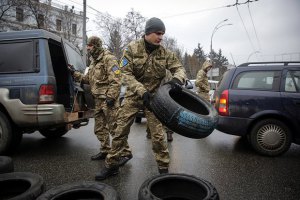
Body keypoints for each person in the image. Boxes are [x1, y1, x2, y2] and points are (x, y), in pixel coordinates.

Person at [95, 17, 187, 180]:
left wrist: (177, 79)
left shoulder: (164, 53)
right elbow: (124, 73)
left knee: (158, 135)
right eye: (158, 33)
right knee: (119, 130)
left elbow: (179, 68)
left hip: (155, 99)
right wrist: (141, 91)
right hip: (134, 95)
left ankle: (163, 169)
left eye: (163, 34)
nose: (161, 37)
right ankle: (112, 165)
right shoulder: (132, 49)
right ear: (148, 32)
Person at [68, 36, 128, 161]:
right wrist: (74, 73)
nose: (88, 49)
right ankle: (105, 150)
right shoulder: (94, 62)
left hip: (108, 100)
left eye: (89, 47)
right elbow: (87, 79)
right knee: (99, 128)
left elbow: (117, 79)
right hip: (98, 100)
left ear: (95, 46)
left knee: (115, 129)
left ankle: (125, 153)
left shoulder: (109, 58)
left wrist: (111, 97)